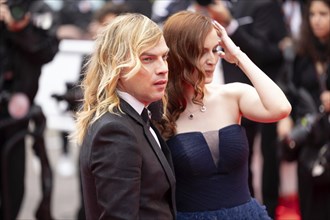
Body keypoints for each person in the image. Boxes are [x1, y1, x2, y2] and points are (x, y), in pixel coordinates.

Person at [157, 11, 291, 219]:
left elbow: (280, 108)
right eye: (202, 52)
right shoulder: (160, 110)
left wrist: (238, 56)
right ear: (179, 54)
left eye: (216, 50)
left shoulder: (231, 94)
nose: (212, 60)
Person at [72, 13, 176, 219]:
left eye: (164, 57)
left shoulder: (138, 117)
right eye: (148, 59)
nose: (163, 69)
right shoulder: (115, 131)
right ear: (116, 65)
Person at [205, 1, 289, 217]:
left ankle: (267, 209)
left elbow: (269, 53)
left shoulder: (262, 5)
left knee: (268, 157)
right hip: (215, 93)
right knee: (238, 160)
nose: (210, 57)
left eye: (214, 50)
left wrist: (231, 28)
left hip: (256, 90)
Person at [0, 0, 59, 219]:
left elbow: (48, 50)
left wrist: (21, 29)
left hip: (18, 117)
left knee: (13, 184)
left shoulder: (38, 9)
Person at [278, 0, 330, 219]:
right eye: (312, 14)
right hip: (309, 135)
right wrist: (285, 117)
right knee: (310, 205)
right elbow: (287, 87)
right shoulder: (300, 52)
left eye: (323, 14)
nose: (316, 20)